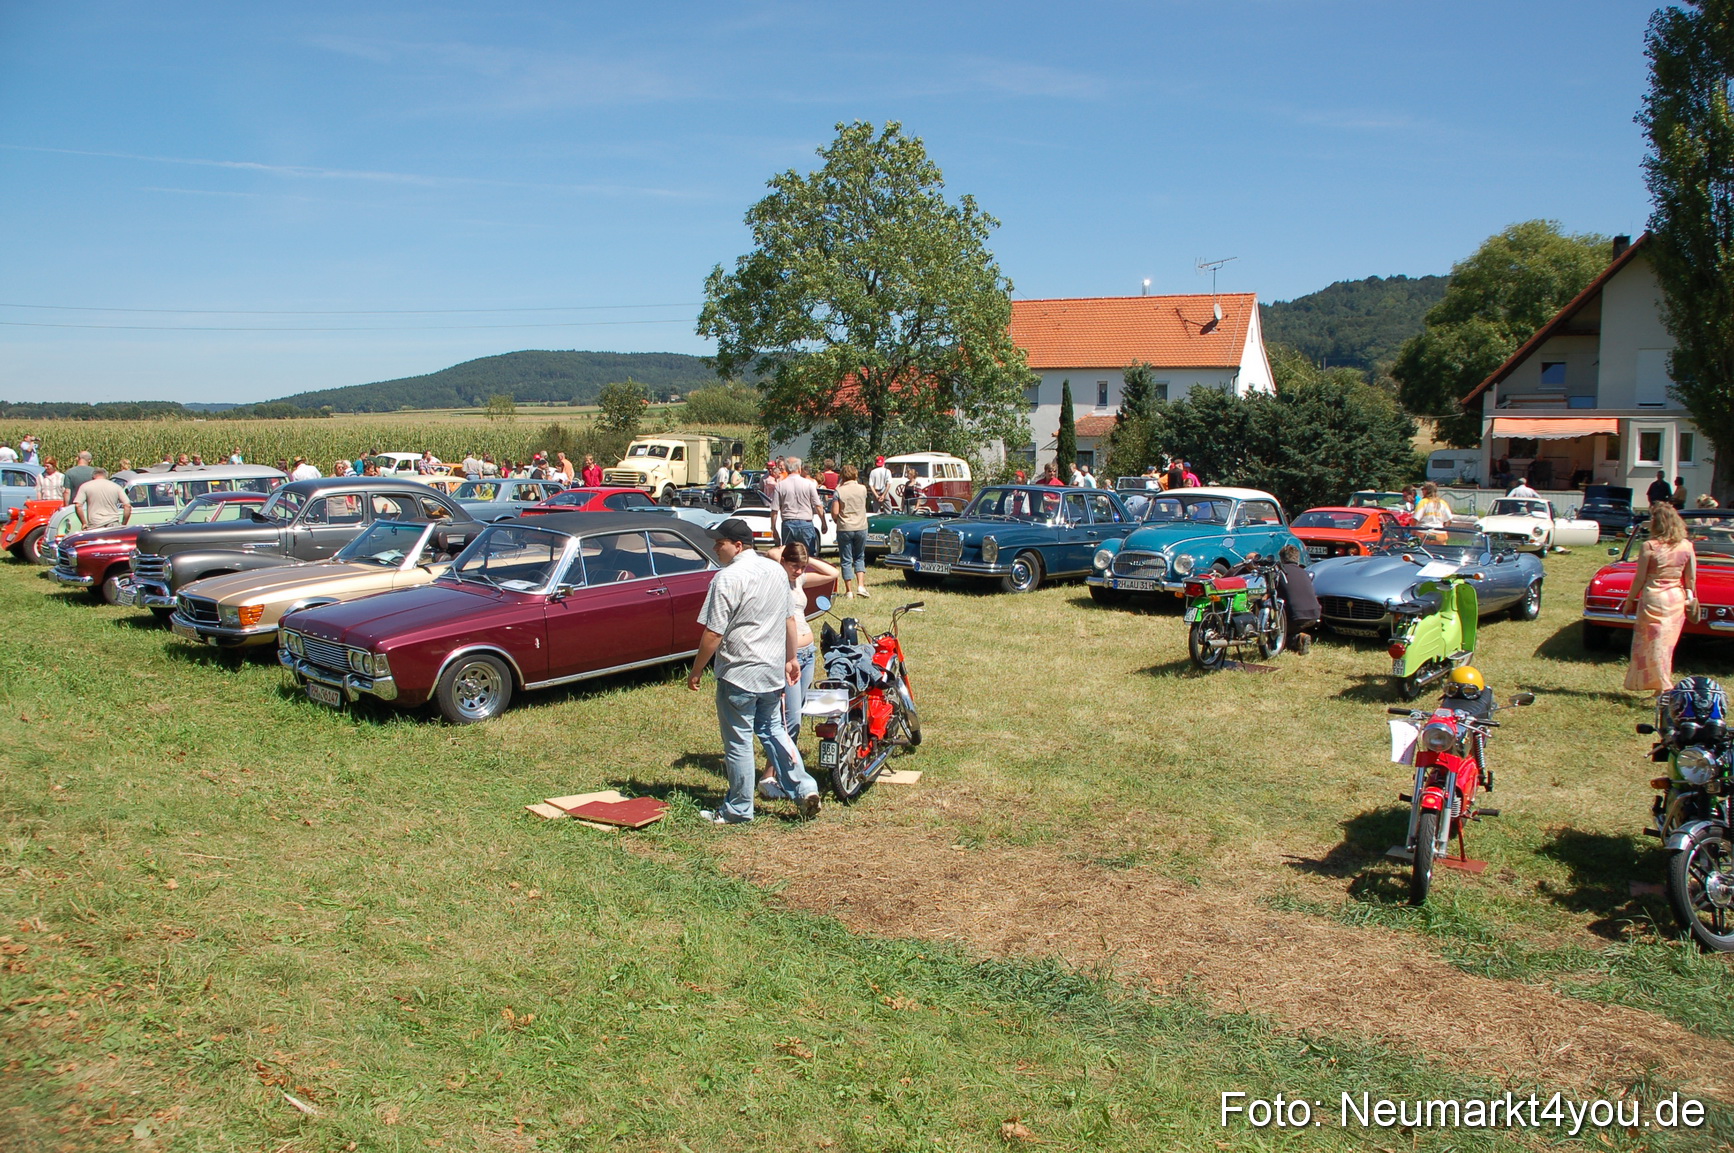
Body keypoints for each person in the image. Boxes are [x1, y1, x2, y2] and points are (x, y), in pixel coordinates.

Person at [688, 518, 820, 824]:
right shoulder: (775, 571)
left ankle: (738, 808)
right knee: (775, 731)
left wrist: (696, 671)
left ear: (737, 546)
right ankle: (804, 788)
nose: (714, 547)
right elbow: (790, 618)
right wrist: (791, 658)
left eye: (718, 543)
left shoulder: (726, 578)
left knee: (739, 741)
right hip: (772, 671)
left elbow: (713, 634)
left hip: (739, 674)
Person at [759, 541, 840, 798]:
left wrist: (808, 558)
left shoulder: (799, 581)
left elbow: (832, 574)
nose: (799, 571)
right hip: (789, 656)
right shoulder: (775, 578)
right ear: (783, 561)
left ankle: (777, 773)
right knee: (788, 720)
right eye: (795, 566)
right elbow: (772, 553)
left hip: (808, 654)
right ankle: (770, 777)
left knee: (797, 717)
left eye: (802, 567)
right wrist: (788, 551)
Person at [1623, 502, 1698, 694]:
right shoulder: (1687, 546)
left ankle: (1662, 685)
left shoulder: (1650, 546)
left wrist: (1630, 599)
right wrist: (1692, 598)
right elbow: (1690, 578)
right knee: (1666, 644)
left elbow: (1640, 577)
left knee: (1650, 642)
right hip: (1675, 597)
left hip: (1654, 597)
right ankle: (1660, 685)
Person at [830, 464, 871, 599]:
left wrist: (837, 520)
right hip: (861, 526)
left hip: (845, 527)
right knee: (859, 556)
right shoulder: (862, 489)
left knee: (846, 559)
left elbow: (835, 512)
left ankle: (849, 591)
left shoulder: (839, 491)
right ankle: (861, 585)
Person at [771, 456, 825, 551]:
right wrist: (823, 522)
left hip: (788, 523)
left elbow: (774, 510)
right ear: (799, 469)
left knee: (790, 555)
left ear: (787, 469)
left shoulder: (780, 485)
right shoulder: (809, 484)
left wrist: (773, 527)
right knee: (808, 555)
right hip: (805, 522)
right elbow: (818, 506)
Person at [1275, 544, 1320, 655]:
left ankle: (1297, 639)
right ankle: (1299, 636)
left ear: (1281, 558)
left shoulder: (1280, 572)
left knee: (1276, 638)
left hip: (1296, 617)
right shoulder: (1304, 572)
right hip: (1314, 615)